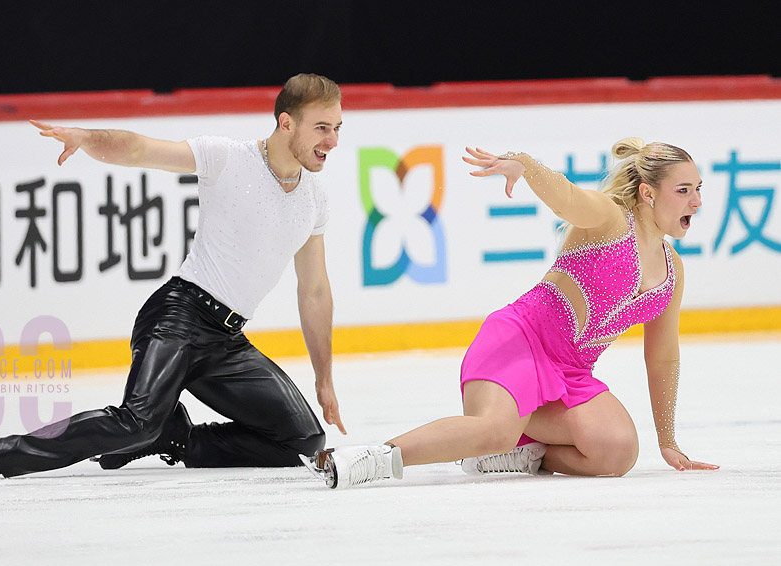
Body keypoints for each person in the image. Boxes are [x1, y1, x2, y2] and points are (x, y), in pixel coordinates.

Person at [0, 73, 348, 480]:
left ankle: (177, 439)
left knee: (303, 441)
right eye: (322, 128)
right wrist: (85, 137)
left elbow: (314, 290)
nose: (332, 141)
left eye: (337, 128)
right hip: (179, 317)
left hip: (227, 342)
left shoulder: (314, 198)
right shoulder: (228, 158)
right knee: (135, 421)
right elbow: (138, 150)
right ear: (286, 122)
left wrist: (324, 378)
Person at [302, 138, 720, 489]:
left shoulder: (671, 270)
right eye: (684, 190)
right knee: (493, 430)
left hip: (570, 371)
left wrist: (668, 440)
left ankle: (520, 456)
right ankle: (366, 459)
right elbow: (569, 198)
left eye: (698, 188)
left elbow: (663, 357)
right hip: (519, 341)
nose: (697, 201)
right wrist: (527, 165)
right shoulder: (610, 220)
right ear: (648, 193)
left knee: (617, 451)